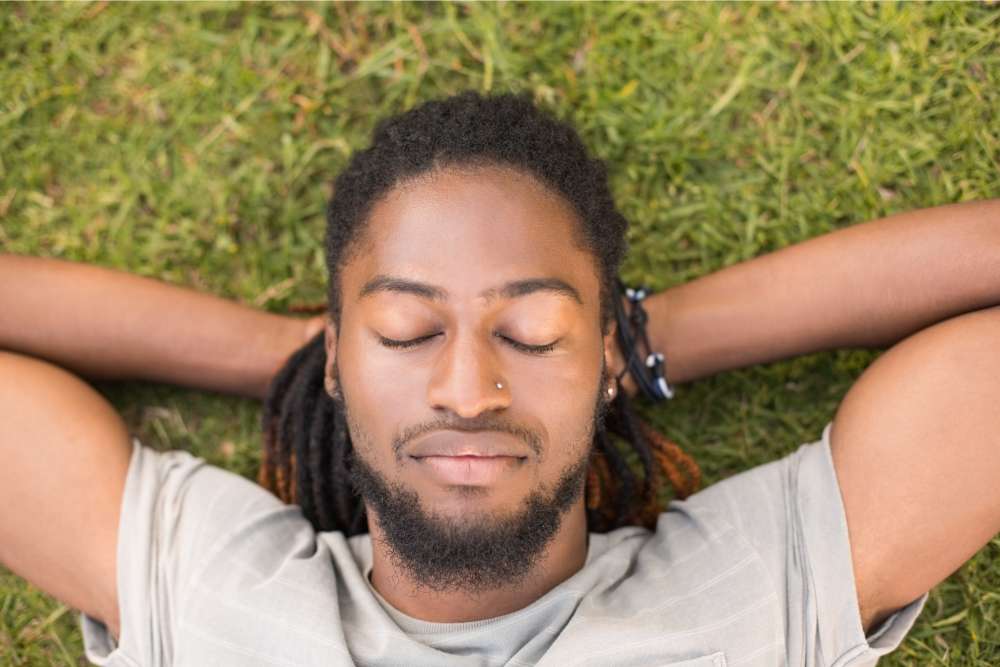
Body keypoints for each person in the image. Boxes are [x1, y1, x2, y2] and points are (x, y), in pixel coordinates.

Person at [1, 91, 998, 666]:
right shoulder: (215, 599)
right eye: (403, 329)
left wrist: (631, 343)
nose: (467, 387)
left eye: (529, 330)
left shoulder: (748, 595)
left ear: (600, 354)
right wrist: (314, 355)